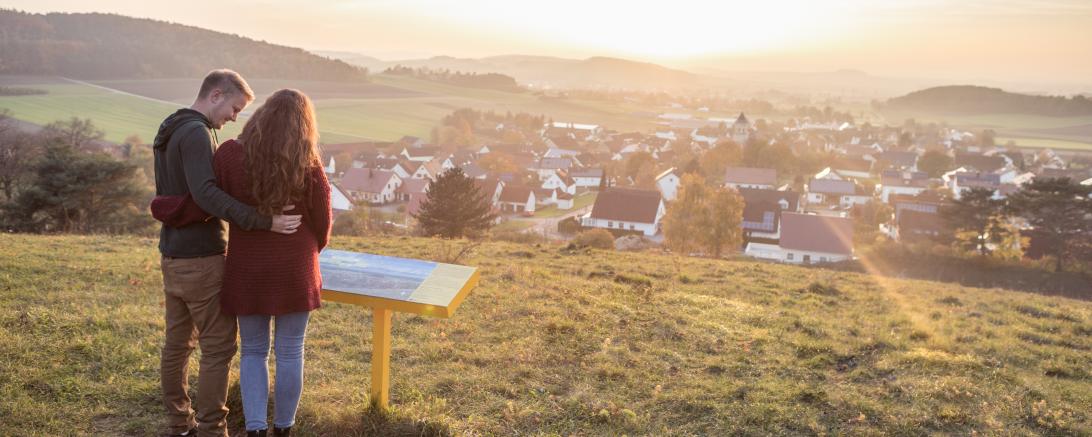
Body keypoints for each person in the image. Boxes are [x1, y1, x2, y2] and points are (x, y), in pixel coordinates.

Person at [152, 69, 302, 437]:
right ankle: (211, 429)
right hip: (201, 256)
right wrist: (262, 220)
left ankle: (177, 422)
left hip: (172, 253)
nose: (234, 118)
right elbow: (206, 194)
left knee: (177, 343)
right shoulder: (196, 133)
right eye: (234, 108)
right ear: (215, 95)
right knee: (218, 349)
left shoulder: (170, 127)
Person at [215, 89, 331, 437]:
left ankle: (255, 430)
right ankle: (284, 429)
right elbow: (322, 218)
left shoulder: (229, 155)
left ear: (261, 116)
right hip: (296, 264)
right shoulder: (307, 160)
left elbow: (218, 200)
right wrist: (311, 249)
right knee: (291, 350)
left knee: (252, 351)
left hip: (247, 265)